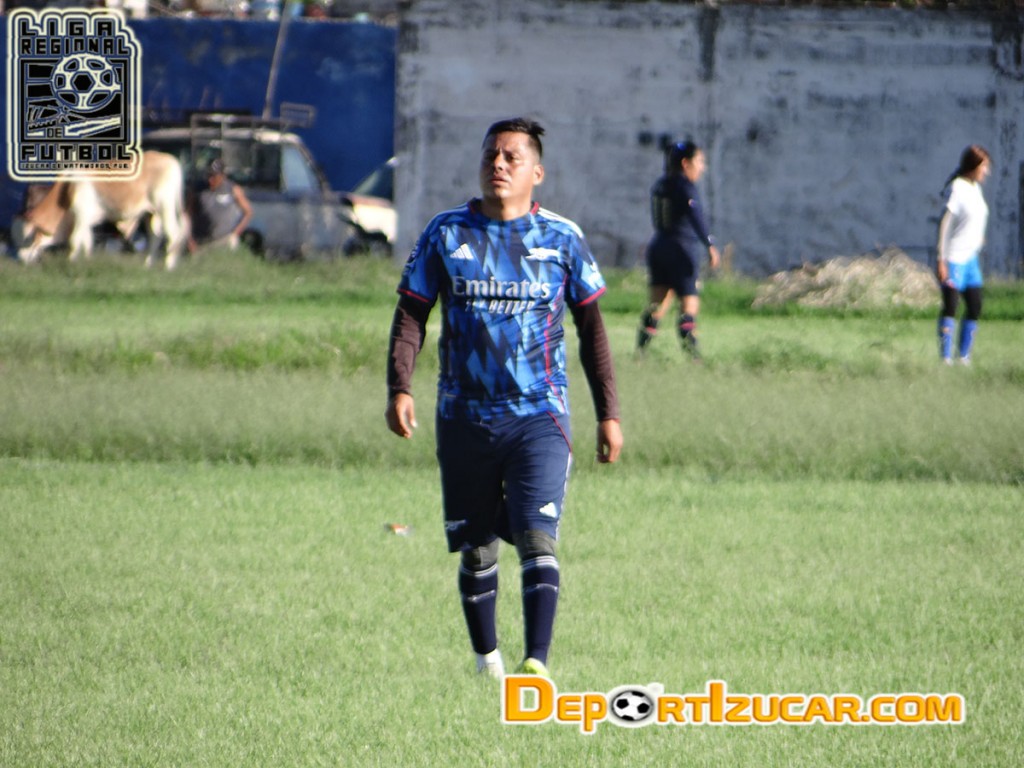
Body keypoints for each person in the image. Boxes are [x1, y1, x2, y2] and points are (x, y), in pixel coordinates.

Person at [385, 117, 623, 679]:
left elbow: (592, 331)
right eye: (492, 154)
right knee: (478, 548)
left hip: (539, 416)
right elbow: (411, 314)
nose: (498, 164)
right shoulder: (446, 233)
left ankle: (535, 663)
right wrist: (400, 386)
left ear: (536, 172)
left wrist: (609, 414)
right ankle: (485, 661)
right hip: (463, 417)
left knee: (538, 538)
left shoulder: (562, 239)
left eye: (512, 157)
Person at [636, 140, 720, 360]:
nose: (702, 167)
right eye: (699, 161)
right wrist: (709, 244)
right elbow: (695, 215)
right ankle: (694, 358)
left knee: (656, 305)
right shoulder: (685, 187)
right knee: (689, 306)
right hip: (682, 249)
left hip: (658, 246)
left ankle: (640, 354)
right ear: (685, 163)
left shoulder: (660, 184)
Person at [936, 144, 990, 366]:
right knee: (951, 306)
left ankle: (963, 356)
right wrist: (941, 259)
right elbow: (945, 224)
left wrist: (978, 237)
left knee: (975, 306)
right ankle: (945, 358)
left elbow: (973, 218)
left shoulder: (975, 189)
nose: (986, 172)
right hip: (953, 258)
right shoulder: (957, 188)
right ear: (973, 166)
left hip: (971, 259)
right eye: (984, 167)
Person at [188, 158, 252, 253]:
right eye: (208, 175)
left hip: (224, 240)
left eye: (214, 176)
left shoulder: (233, 189)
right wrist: (190, 239)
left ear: (222, 176)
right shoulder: (198, 190)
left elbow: (248, 212)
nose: (210, 180)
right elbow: (188, 215)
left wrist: (235, 233)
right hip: (201, 242)